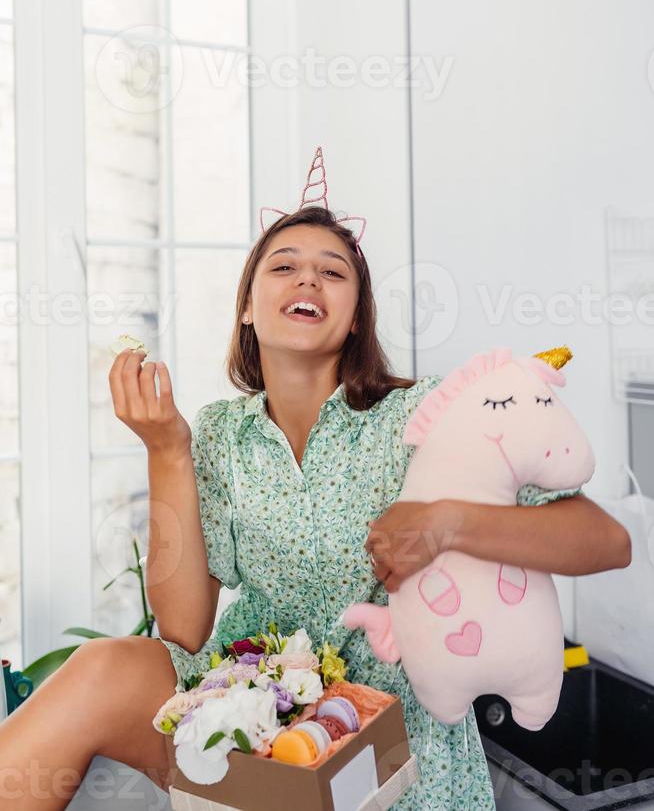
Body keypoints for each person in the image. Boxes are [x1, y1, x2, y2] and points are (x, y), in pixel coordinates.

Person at [0, 188, 631, 810]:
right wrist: (166, 449)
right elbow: (185, 630)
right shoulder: (221, 432)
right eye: (283, 266)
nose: (308, 279)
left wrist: (447, 524)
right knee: (103, 668)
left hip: (389, 735)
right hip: (252, 705)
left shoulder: (422, 417)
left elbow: (605, 540)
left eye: (332, 272)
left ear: (355, 316)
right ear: (247, 307)